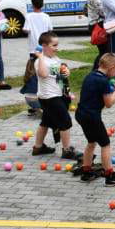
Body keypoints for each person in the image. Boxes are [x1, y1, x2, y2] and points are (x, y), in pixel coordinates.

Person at [75, 53, 115, 186]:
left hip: (81, 114)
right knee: (105, 144)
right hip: (92, 117)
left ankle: (86, 172)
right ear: (111, 67)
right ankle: (110, 176)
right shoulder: (103, 81)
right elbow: (108, 104)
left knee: (91, 142)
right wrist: (114, 92)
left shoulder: (90, 75)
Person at [31, 32, 79, 160]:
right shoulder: (40, 61)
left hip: (57, 95)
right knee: (65, 122)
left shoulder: (55, 59)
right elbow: (43, 74)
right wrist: (40, 57)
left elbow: (59, 76)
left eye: (57, 45)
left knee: (46, 121)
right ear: (44, 46)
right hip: (49, 97)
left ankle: (38, 147)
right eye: (54, 45)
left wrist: (66, 73)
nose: (57, 48)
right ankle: (67, 150)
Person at [86, 0, 109, 70]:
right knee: (104, 51)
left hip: (102, 24)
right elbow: (102, 11)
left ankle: (99, 70)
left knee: (105, 51)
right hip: (97, 26)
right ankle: (95, 70)